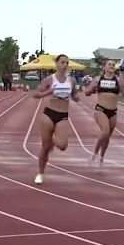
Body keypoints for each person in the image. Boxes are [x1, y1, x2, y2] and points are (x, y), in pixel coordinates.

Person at [32, 54, 80, 184]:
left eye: (67, 63)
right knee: (45, 147)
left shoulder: (72, 81)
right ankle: (40, 173)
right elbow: (35, 94)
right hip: (49, 113)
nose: (65, 65)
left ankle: (50, 136)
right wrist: (46, 93)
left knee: (63, 145)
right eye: (62, 62)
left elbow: (75, 95)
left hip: (63, 115)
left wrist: (77, 97)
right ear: (57, 64)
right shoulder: (50, 79)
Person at [83, 59, 124, 166]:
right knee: (105, 132)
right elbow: (86, 92)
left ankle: (102, 157)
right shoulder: (98, 79)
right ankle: (94, 154)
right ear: (104, 67)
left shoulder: (118, 80)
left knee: (107, 137)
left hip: (113, 111)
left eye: (113, 64)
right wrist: (91, 90)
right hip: (101, 109)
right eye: (109, 64)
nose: (111, 66)